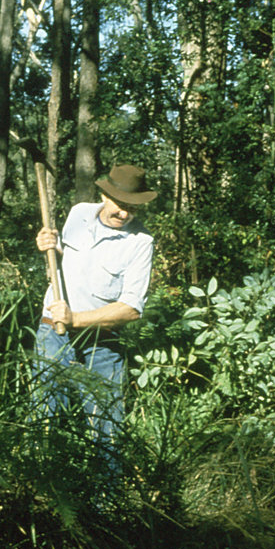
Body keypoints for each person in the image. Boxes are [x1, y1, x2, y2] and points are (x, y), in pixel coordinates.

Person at [34, 164, 157, 439]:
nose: (124, 214)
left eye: (132, 208)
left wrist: (75, 319)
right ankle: (39, 477)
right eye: (120, 205)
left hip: (101, 344)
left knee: (106, 427)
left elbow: (131, 309)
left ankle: (105, 482)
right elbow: (63, 262)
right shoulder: (79, 214)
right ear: (105, 196)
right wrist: (49, 245)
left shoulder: (141, 242)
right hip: (52, 333)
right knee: (44, 419)